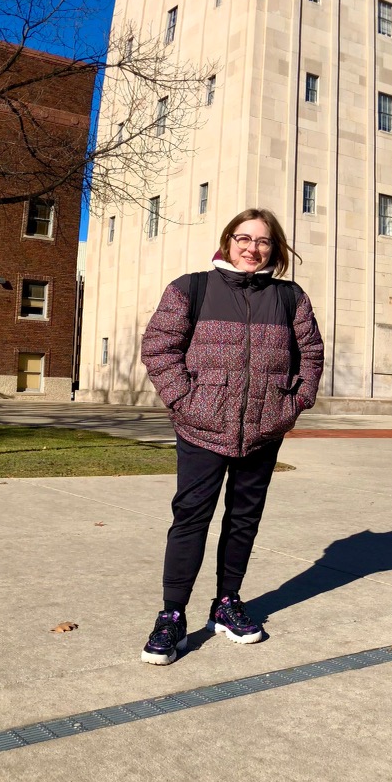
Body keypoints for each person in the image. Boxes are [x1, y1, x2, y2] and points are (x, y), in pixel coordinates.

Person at [137, 207, 324, 664]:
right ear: (228, 240)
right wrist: (186, 401)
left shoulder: (290, 298)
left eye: (262, 241)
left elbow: (312, 355)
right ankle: (172, 615)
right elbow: (159, 347)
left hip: (264, 429)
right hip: (201, 427)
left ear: (273, 248)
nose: (251, 248)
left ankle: (227, 604)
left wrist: (292, 405)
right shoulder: (191, 288)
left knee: (244, 519)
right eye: (244, 238)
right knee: (191, 518)